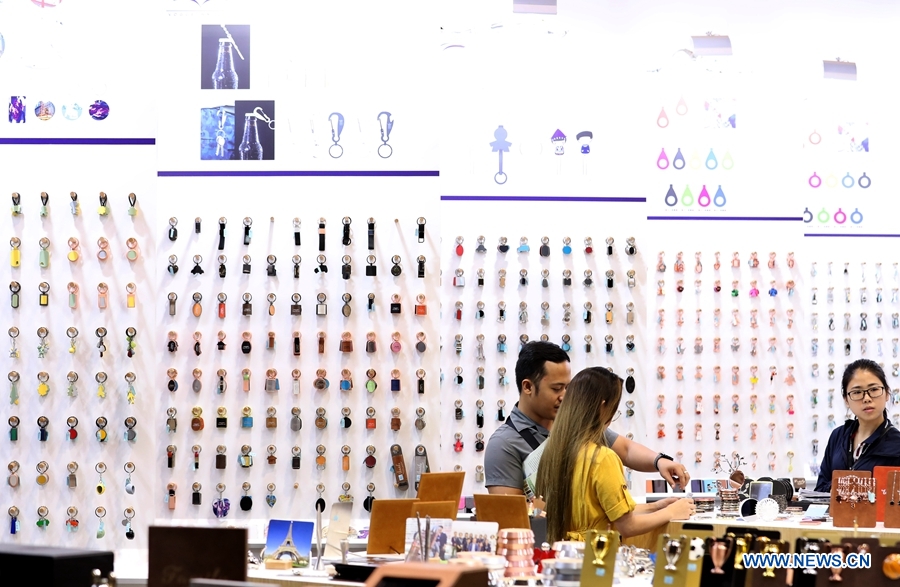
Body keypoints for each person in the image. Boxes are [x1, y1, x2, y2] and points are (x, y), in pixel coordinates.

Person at [485, 341, 690, 496]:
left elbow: (626, 450)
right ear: (528, 387)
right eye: (556, 388)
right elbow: (513, 517)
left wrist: (660, 461)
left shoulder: (574, 424)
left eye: (568, 387)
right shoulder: (503, 445)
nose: (564, 396)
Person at [536, 367, 695, 544]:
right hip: (594, 553)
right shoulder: (602, 457)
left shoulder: (552, 453)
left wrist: (655, 507)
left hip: (561, 552)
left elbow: (607, 512)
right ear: (602, 407)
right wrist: (671, 512)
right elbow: (627, 526)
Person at [815, 359, 900, 492]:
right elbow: (819, 489)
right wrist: (838, 489)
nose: (867, 398)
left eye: (874, 389)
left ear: (887, 393)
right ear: (846, 400)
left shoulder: (896, 444)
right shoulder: (838, 436)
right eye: (857, 392)